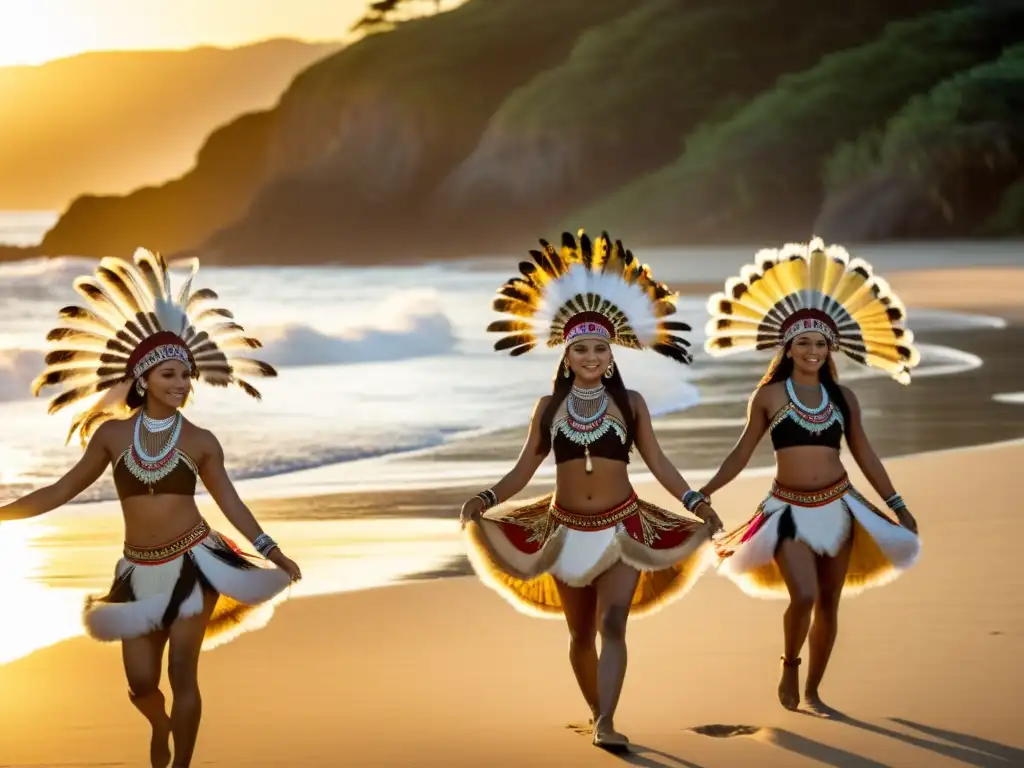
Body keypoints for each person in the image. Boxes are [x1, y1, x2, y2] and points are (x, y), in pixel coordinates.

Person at [0, 248, 302, 768]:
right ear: (143, 380)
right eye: (169, 376)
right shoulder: (112, 436)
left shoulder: (202, 441)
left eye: (186, 376)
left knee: (183, 669)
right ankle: (160, 727)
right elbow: (59, 490)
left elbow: (231, 502)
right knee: (141, 684)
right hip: (136, 570)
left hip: (195, 562)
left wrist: (271, 551)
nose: (181, 385)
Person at [460, 230, 724, 751]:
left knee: (613, 622)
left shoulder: (633, 404)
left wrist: (695, 502)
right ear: (566, 351)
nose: (591, 357)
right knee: (580, 633)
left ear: (612, 352)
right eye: (581, 348)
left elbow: (659, 462)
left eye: (599, 348)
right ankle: (595, 708)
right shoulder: (547, 407)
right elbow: (523, 470)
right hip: (562, 532)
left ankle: (606, 722)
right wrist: (487, 499)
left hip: (624, 527)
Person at [700, 237, 921, 715]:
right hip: (786, 513)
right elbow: (742, 452)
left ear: (830, 347)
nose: (813, 350)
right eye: (804, 342)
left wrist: (898, 506)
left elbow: (866, 455)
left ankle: (816, 693)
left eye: (821, 343)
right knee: (802, 595)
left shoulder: (843, 399)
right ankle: (790, 665)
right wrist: (706, 491)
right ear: (788, 345)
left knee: (830, 604)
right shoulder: (769, 396)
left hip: (840, 507)